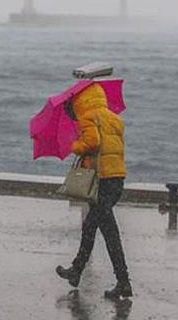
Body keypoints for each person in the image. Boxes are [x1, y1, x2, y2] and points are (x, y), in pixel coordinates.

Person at [55, 82, 132, 298]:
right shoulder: (114, 118)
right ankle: (79, 271)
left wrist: (75, 146)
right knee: (99, 229)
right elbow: (111, 146)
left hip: (101, 181)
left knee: (100, 229)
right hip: (116, 178)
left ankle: (120, 280)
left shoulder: (88, 117)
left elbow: (92, 141)